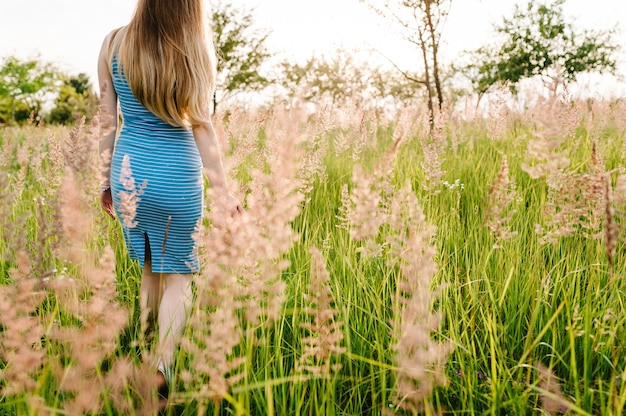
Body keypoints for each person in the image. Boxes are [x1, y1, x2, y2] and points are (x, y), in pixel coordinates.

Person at [97, 0, 243, 406]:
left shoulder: (112, 43)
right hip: (178, 175)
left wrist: (105, 179)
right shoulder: (193, 47)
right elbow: (202, 126)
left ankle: (144, 352)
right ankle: (162, 366)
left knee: (148, 266)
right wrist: (223, 193)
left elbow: (109, 121)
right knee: (179, 276)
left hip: (129, 171)